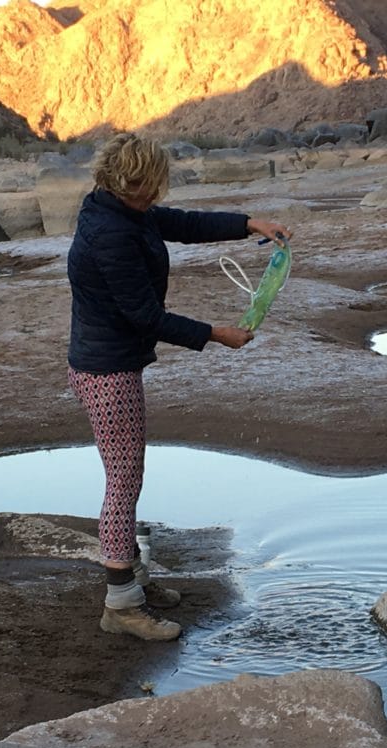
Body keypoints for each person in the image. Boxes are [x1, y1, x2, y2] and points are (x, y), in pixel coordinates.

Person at [66, 133, 293, 641]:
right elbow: (145, 316)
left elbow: (182, 224)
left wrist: (249, 224)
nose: (157, 197)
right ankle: (120, 603)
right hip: (106, 371)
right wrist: (217, 335)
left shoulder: (118, 208)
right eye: (153, 186)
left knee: (127, 474)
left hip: (107, 363)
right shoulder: (111, 233)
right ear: (134, 181)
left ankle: (133, 579)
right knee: (123, 481)